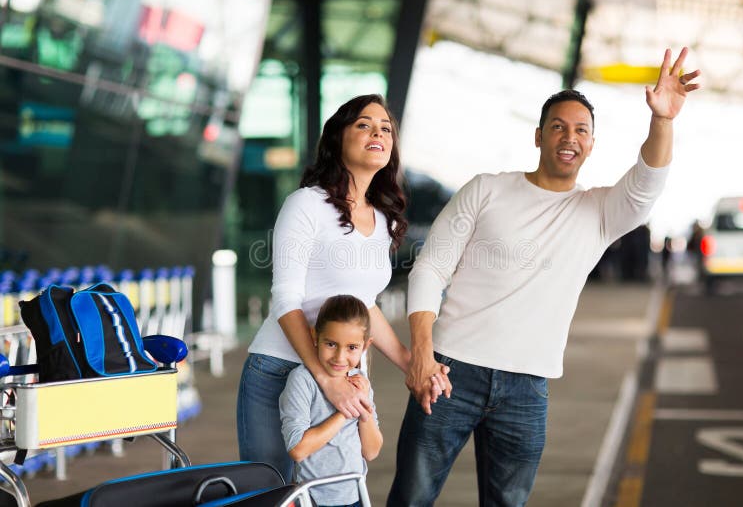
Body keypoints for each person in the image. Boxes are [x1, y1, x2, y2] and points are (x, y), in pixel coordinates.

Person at [388, 47, 701, 506]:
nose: (568, 137)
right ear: (538, 136)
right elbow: (431, 267)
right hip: (449, 370)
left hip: (526, 388)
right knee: (411, 498)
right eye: (558, 126)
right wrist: (421, 353)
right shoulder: (487, 189)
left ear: (591, 144)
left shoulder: (598, 212)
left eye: (581, 130)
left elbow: (647, 182)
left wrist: (663, 121)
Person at [236, 94, 449, 482]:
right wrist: (328, 380)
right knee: (272, 491)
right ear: (338, 139)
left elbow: (364, 305)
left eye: (385, 129)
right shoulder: (306, 205)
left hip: (345, 372)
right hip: (281, 369)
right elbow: (286, 300)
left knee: (335, 488)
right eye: (364, 125)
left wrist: (413, 364)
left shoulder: (383, 220)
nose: (378, 133)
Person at [279, 295, 381, 507]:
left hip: (356, 494)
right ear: (314, 336)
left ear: (365, 346)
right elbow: (298, 450)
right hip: (312, 498)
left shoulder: (360, 382)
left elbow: (371, 451)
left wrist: (364, 411)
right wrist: (344, 412)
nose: (340, 357)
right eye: (331, 344)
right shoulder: (302, 380)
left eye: (352, 347)